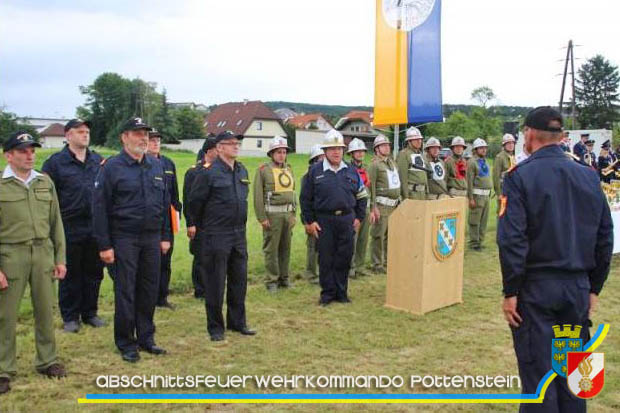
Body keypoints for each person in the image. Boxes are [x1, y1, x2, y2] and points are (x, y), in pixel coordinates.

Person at [497, 106, 613, 413]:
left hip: (537, 291)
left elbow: (512, 240)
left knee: (540, 381)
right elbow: (605, 237)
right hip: (575, 290)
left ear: (530, 134)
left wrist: (511, 291)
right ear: (561, 137)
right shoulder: (588, 176)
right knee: (574, 377)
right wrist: (593, 288)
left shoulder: (519, 177)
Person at [92, 117, 171, 362]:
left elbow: (164, 204)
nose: (144, 138)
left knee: (148, 289)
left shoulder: (155, 166)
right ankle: (126, 342)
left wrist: (165, 236)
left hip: (151, 239)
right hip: (124, 238)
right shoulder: (111, 167)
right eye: (137, 133)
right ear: (124, 137)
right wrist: (104, 245)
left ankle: (147, 338)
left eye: (146, 133)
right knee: (126, 291)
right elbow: (99, 208)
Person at [0, 131, 67, 394]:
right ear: (9, 155)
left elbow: (56, 223)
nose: (30, 155)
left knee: (46, 310)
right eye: (23, 151)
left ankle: (47, 360)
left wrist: (59, 257)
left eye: (32, 150)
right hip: (10, 255)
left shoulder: (44, 182)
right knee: (5, 315)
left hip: (42, 253)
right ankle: (4, 369)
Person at [189, 131, 256, 341]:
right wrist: (204, 229)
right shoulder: (208, 173)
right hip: (216, 234)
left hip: (238, 234)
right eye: (230, 143)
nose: (236, 146)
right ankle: (216, 327)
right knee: (215, 283)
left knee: (239, 281)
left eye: (237, 143)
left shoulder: (241, 169)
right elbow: (194, 204)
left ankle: (237, 322)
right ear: (219, 148)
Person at [41, 119, 105, 333]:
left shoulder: (98, 160)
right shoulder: (55, 163)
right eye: (80, 132)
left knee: (94, 272)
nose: (85, 135)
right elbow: (46, 198)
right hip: (68, 226)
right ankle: (70, 317)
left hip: (95, 225)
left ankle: (90, 313)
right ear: (68, 136)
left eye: (87, 131)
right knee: (70, 273)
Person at [300, 129, 367, 306]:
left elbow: (362, 196)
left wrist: (359, 218)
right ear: (325, 151)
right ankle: (327, 294)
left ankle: (341, 293)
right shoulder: (314, 172)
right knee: (326, 259)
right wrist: (310, 221)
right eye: (332, 149)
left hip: (346, 220)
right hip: (324, 222)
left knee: (344, 257)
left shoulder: (351, 171)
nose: (336, 152)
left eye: (339, 148)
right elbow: (305, 199)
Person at [253, 136, 296, 292]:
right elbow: (258, 195)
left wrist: (293, 214)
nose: (282, 155)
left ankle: (284, 278)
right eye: (278, 152)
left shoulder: (289, 169)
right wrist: (262, 218)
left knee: (286, 248)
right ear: (271, 153)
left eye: (284, 152)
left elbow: (293, 193)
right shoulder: (263, 170)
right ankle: (271, 280)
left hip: (287, 215)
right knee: (272, 249)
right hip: (272, 216)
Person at [146, 129, 181, 310]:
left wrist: (177, 215)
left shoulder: (168, 163)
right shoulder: (143, 163)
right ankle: (149, 298)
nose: (155, 143)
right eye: (152, 140)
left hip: (167, 219)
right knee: (151, 263)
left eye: (158, 140)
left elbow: (174, 193)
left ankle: (162, 297)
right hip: (150, 219)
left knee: (165, 262)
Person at [183, 137, 217, 299]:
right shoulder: (194, 172)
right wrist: (191, 223)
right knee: (201, 256)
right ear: (209, 151)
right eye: (218, 148)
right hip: (201, 222)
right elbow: (189, 200)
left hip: (217, 223)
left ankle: (213, 286)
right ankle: (200, 290)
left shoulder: (221, 170)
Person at [367, 134, 400, 274]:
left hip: (394, 205)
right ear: (377, 149)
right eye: (383, 145)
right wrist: (373, 207)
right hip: (381, 205)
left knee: (390, 235)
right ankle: (376, 264)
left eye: (387, 145)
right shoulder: (374, 165)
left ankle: (387, 261)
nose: (387, 147)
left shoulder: (392, 163)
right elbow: (371, 186)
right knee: (378, 235)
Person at [299, 145, 324, 284]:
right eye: (319, 159)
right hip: (312, 216)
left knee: (324, 247)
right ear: (313, 160)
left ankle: (322, 272)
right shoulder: (307, 177)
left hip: (324, 216)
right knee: (312, 247)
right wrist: (307, 221)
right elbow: (304, 200)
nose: (322, 161)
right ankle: (311, 273)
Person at [347, 138, 371, 278]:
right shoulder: (347, 169)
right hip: (353, 209)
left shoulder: (367, 169)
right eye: (357, 151)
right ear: (351, 154)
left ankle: (360, 267)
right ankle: (350, 267)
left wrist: (372, 207)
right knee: (352, 240)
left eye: (362, 151)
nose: (360, 154)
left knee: (363, 239)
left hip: (366, 208)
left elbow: (371, 189)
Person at [466, 138, 492, 250]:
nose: (484, 150)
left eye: (485, 148)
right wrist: (470, 198)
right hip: (477, 195)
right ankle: (474, 243)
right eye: (481, 148)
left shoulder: (485, 161)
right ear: (475, 149)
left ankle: (480, 241)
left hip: (486, 196)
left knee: (483, 220)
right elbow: (469, 181)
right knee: (475, 220)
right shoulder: (472, 162)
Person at [396, 126, 428, 200]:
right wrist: (406, 197)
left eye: (420, 139)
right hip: (412, 194)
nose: (419, 141)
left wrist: (427, 192)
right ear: (409, 141)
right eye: (416, 139)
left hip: (423, 194)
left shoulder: (422, 155)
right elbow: (402, 177)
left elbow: (424, 175)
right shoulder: (404, 154)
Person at [493, 134, 516, 212]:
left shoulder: (513, 157)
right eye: (508, 143)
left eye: (512, 143)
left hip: (512, 189)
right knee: (502, 212)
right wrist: (498, 193)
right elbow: (496, 177)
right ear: (504, 145)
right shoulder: (500, 157)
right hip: (503, 189)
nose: (511, 145)